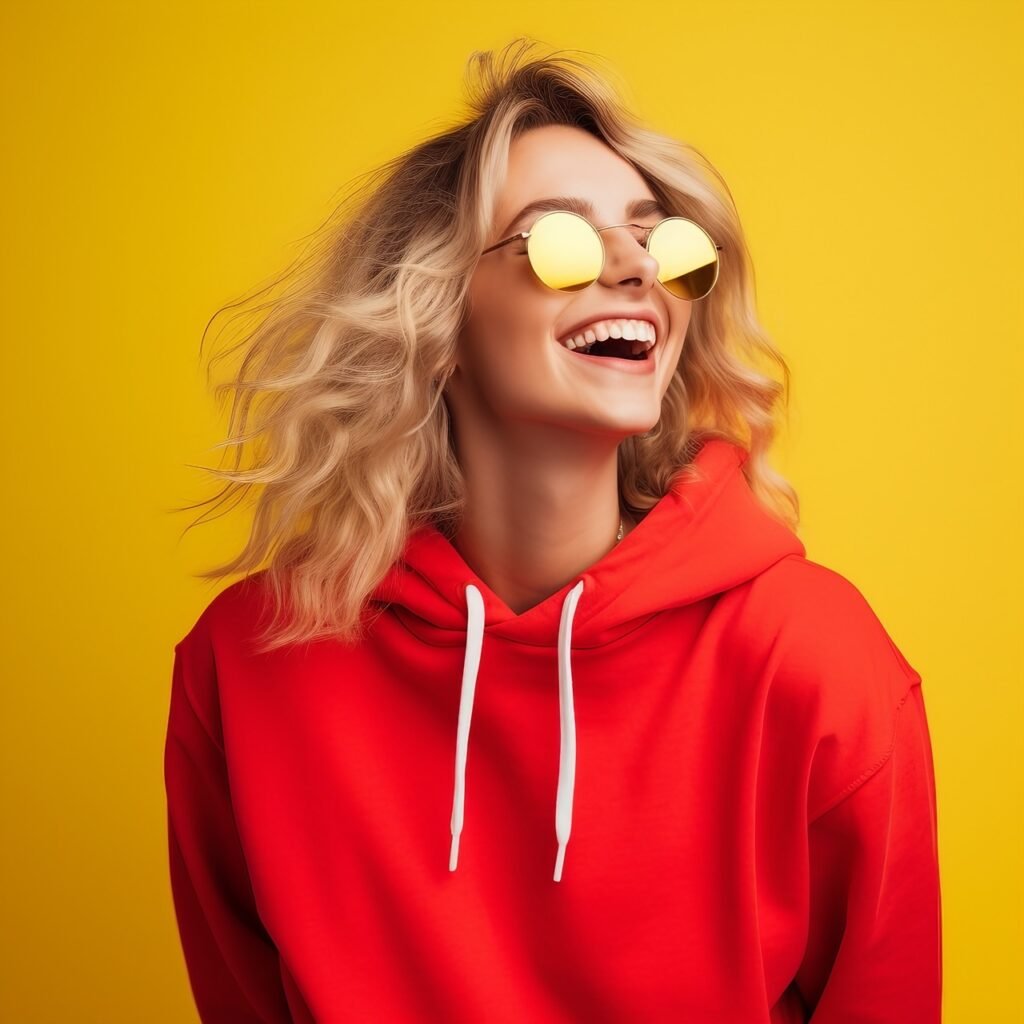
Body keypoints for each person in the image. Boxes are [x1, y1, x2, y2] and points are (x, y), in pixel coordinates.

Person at [163, 38, 942, 1023]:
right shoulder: (246, 667)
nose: (633, 267)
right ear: (434, 314)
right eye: (561, 241)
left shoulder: (814, 658)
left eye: (663, 244)